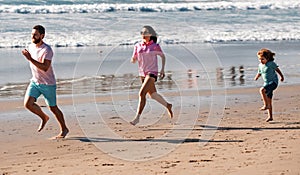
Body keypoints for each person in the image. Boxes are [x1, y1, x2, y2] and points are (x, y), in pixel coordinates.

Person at [22, 25, 69, 138]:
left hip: (48, 84)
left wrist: (30, 59)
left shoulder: (47, 50)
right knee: (28, 104)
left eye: (35, 35)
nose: (33, 36)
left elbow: (45, 67)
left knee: (53, 107)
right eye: (32, 34)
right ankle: (44, 117)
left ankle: (64, 129)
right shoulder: (31, 46)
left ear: (42, 36)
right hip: (35, 82)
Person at [130, 25, 173, 125]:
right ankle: (168, 105)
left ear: (150, 35)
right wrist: (133, 60)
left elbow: (163, 56)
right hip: (142, 73)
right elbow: (134, 58)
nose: (143, 35)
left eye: (146, 33)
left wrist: (162, 69)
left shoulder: (155, 46)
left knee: (142, 94)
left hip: (152, 73)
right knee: (153, 95)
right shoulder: (137, 46)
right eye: (142, 33)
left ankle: (137, 118)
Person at [254, 48, 284, 122]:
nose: (261, 61)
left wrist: (282, 76)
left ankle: (265, 105)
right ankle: (270, 117)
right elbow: (260, 72)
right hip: (266, 83)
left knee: (262, 90)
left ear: (267, 58)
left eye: (263, 59)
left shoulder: (271, 64)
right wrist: (257, 77)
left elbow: (277, 70)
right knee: (269, 99)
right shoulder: (260, 65)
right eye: (260, 59)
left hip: (273, 82)